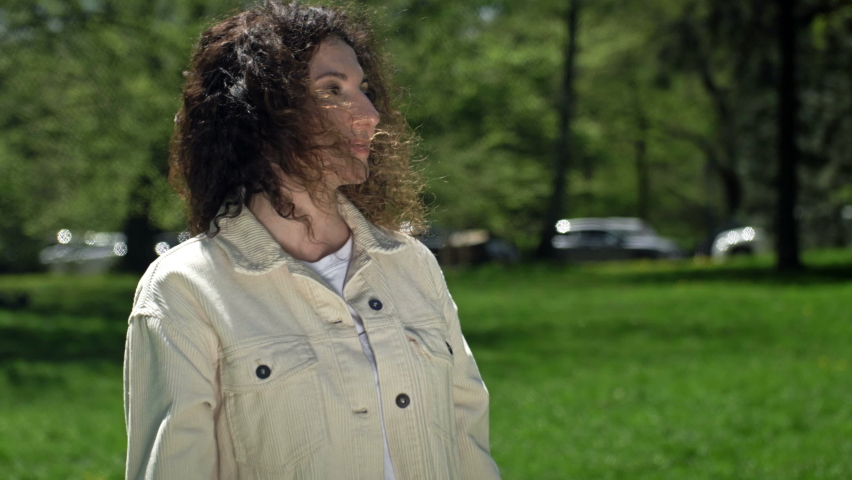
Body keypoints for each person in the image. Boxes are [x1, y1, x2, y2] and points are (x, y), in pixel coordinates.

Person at [122, 2, 500, 479]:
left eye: (362, 89)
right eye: (332, 91)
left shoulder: (412, 265)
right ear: (260, 115)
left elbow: (469, 448)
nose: (368, 114)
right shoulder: (186, 290)